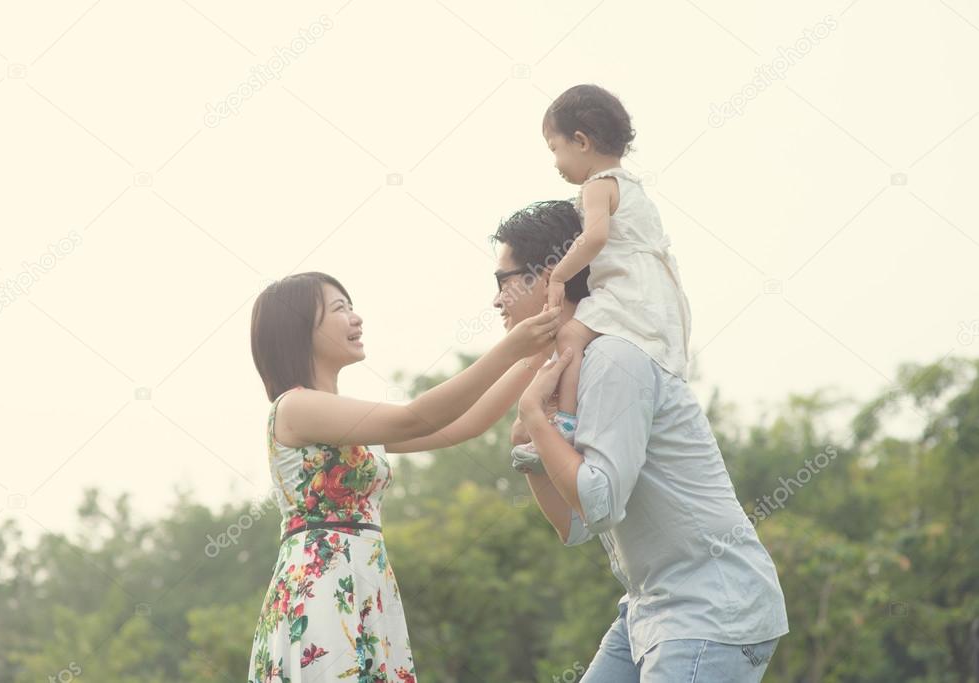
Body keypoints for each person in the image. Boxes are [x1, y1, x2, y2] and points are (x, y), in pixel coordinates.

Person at [493, 200, 789, 681]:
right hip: (648, 609)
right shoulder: (576, 369)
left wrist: (536, 418)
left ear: (549, 275)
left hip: (709, 608)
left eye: (502, 280)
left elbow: (600, 504)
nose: (496, 299)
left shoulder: (613, 358)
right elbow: (577, 524)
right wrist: (531, 446)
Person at [247, 272, 561, 682]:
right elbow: (413, 418)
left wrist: (535, 358)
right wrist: (510, 347)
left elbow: (463, 425)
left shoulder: (347, 419)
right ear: (299, 327)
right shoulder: (295, 407)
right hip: (322, 587)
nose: (356, 318)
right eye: (340, 308)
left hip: (365, 580)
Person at [512, 84, 693, 475]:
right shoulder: (633, 189)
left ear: (580, 141)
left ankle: (565, 422)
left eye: (554, 148)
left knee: (569, 336)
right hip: (656, 295)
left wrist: (558, 275)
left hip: (628, 290)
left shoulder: (597, 186)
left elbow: (594, 237)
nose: (555, 162)